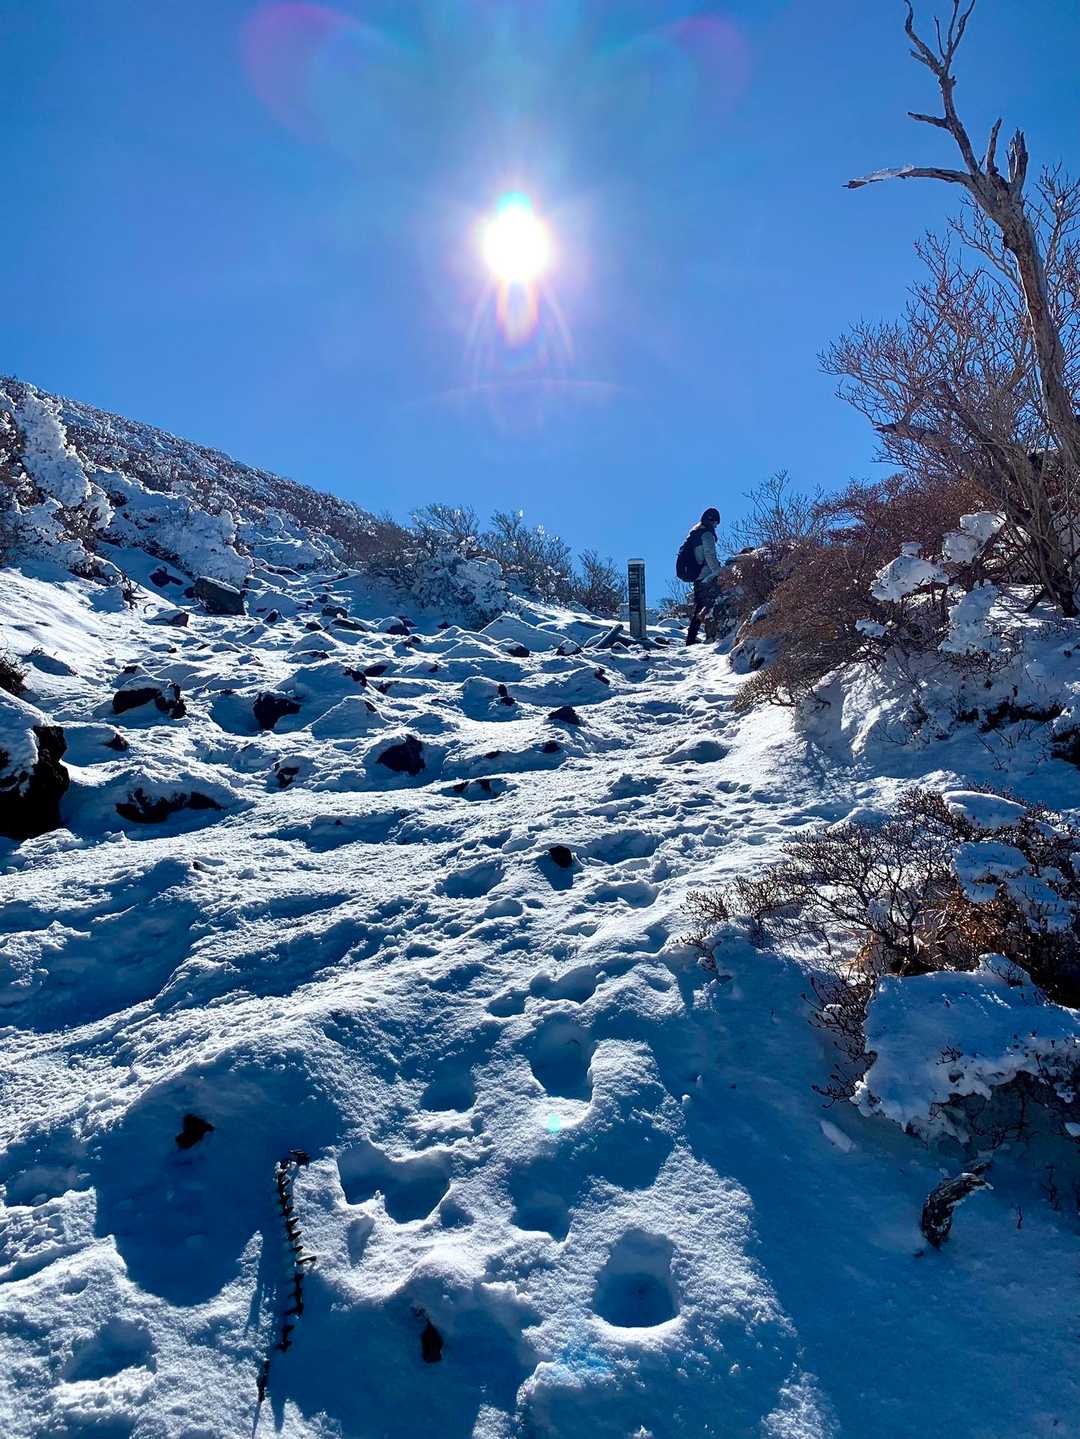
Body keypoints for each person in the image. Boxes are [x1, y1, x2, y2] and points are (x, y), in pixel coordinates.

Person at [678, 507, 723, 645]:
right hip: (705, 575)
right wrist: (719, 572)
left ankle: (691, 638)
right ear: (712, 521)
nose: (716, 526)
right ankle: (707, 635)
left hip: (697, 575)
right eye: (715, 523)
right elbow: (709, 555)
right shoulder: (707, 535)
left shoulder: (695, 533)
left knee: (700, 605)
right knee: (711, 603)